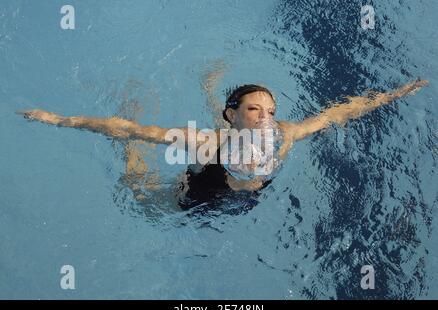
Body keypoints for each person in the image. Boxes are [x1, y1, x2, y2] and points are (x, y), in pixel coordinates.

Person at [17, 78, 429, 211]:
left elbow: (338, 113)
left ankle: (211, 82)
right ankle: (132, 165)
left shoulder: (285, 136)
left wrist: (393, 95)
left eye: (270, 109)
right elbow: (131, 129)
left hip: (250, 196)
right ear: (232, 115)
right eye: (254, 109)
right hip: (202, 189)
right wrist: (57, 120)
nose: (266, 116)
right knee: (140, 199)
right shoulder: (207, 144)